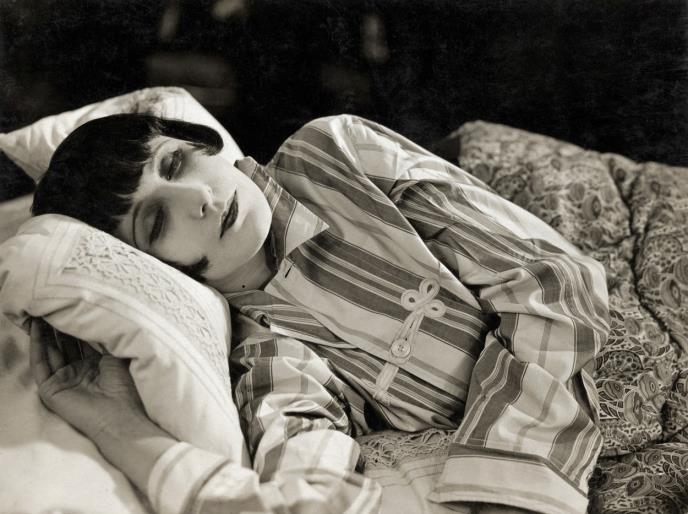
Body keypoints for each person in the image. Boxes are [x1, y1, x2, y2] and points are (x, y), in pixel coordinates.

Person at [29, 113, 610, 514]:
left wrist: (506, 486)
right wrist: (116, 428)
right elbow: (310, 494)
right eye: (157, 221)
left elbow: (549, 282)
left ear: (202, 145)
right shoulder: (262, 353)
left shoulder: (333, 152)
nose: (198, 200)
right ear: (154, 267)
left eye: (176, 164)